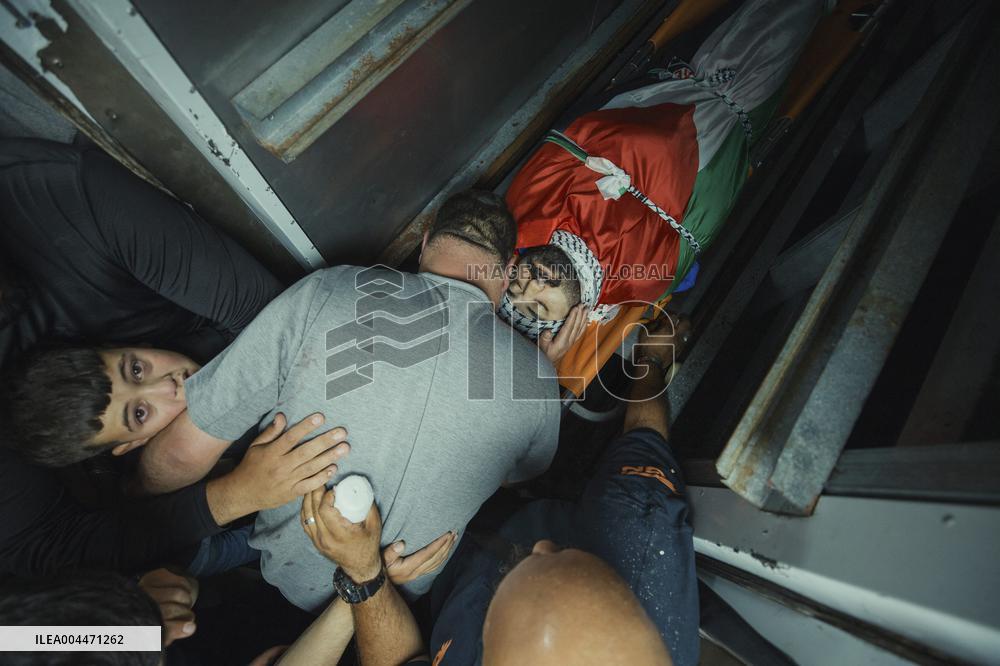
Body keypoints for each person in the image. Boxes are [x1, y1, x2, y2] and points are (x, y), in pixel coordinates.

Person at [115, 189, 561, 610]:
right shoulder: (539, 380)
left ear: (425, 244)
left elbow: (180, 454)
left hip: (284, 575)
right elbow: (515, 476)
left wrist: (117, 512)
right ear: (505, 274)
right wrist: (539, 377)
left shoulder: (327, 291)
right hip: (400, 606)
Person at [0, 138, 338, 576]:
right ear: (130, 442)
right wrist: (228, 493)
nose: (164, 386)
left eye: (136, 368)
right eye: (138, 411)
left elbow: (280, 318)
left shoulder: (65, 198)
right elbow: (51, 583)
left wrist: (181, 454)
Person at [295, 313, 698, 665]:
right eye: (561, 557)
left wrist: (366, 578)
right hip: (549, 505)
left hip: (445, 568)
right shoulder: (643, 543)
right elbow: (643, 440)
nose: (541, 547)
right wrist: (651, 359)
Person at [499, 0, 826, 342]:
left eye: (516, 285)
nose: (533, 284)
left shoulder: (529, 210)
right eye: (538, 307)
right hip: (729, 113)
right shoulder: (642, 280)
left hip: (671, 82)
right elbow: (708, 204)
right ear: (569, 322)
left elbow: (580, 130)